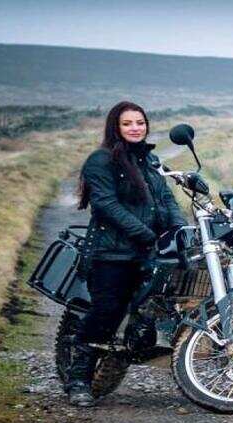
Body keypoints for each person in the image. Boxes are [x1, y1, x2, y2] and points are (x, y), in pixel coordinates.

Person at [67, 101, 187, 406]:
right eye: (127, 123)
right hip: (113, 253)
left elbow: (166, 199)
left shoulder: (150, 160)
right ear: (115, 127)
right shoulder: (101, 160)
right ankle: (78, 379)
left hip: (149, 251)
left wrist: (179, 229)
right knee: (108, 310)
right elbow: (106, 205)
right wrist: (145, 234)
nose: (135, 128)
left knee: (164, 301)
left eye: (140, 122)